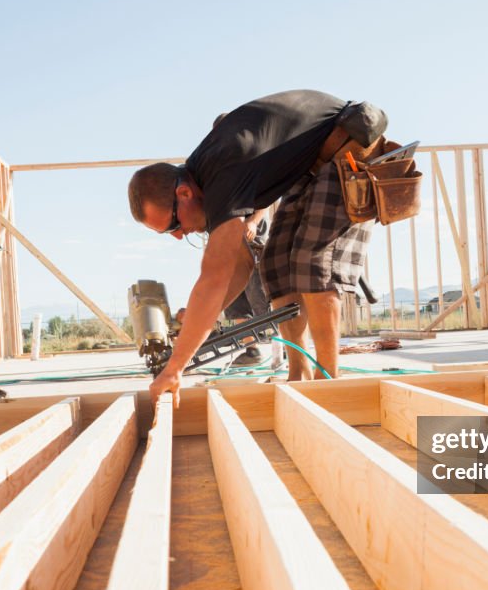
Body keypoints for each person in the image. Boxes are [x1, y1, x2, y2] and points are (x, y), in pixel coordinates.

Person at [128, 90, 387, 404]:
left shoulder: (222, 176)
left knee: (313, 262)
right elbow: (240, 266)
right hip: (313, 167)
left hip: (350, 151)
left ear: (183, 194)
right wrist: (198, 324)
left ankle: (328, 382)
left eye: (173, 225)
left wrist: (175, 367)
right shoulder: (204, 183)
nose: (179, 236)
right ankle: (299, 373)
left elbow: (215, 276)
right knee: (275, 266)